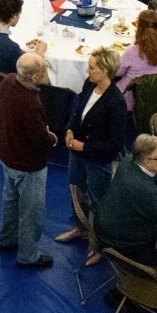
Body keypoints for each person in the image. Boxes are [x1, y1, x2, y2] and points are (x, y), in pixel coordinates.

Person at [56, 47, 125, 258]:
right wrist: (69, 129)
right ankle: (81, 228)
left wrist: (84, 147)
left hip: (97, 160)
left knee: (98, 202)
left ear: (104, 71)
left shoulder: (116, 102)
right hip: (77, 154)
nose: (87, 71)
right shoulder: (89, 84)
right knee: (76, 191)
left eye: (91, 67)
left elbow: (115, 144)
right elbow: (77, 112)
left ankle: (98, 245)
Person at [95, 134, 157, 275]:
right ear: (147, 161)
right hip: (122, 243)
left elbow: (148, 175)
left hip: (105, 225)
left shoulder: (129, 161)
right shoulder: (144, 190)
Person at [0, 53, 55, 269]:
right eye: (43, 70)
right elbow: (39, 141)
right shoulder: (30, 103)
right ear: (34, 77)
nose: (45, 73)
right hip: (28, 165)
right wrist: (50, 137)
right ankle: (28, 255)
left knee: (10, 200)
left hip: (6, 154)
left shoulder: (8, 81)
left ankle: (7, 239)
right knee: (31, 212)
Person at [114, 10, 157, 111]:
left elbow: (118, 73)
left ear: (137, 26)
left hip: (130, 100)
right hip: (156, 97)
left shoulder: (131, 51)